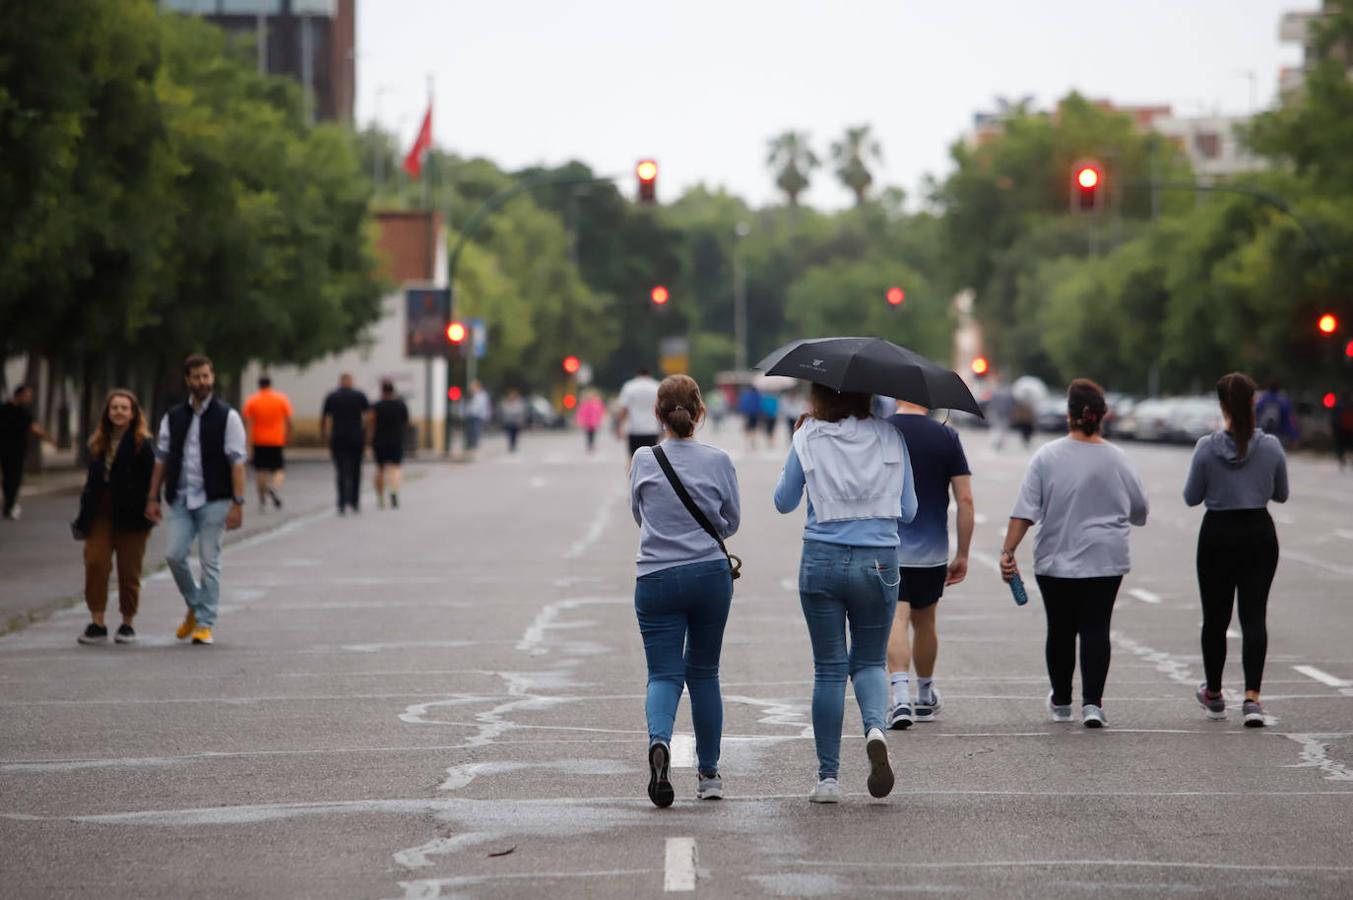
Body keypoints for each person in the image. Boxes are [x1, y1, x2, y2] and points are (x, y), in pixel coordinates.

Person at [774, 383, 917, 803]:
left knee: (830, 670)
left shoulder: (808, 436)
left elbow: (783, 501)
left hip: (822, 558)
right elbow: (909, 510)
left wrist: (800, 442)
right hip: (879, 560)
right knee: (871, 661)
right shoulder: (892, 436)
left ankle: (829, 779)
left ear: (819, 396)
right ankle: (875, 729)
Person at [1000, 379, 1149, 728]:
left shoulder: (1046, 456)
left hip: (1055, 559)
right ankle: (1093, 705)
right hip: (1106, 560)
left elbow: (1025, 511)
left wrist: (1008, 551)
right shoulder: (1119, 458)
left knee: (1061, 629)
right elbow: (1140, 510)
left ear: (1069, 416)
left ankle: (1062, 701)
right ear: (1102, 417)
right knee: (1097, 627)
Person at [629, 374, 740, 808]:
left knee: (663, 674)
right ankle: (709, 774)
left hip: (655, 576)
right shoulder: (719, 460)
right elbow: (730, 522)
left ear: (658, 414)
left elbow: (638, 514)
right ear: (701, 412)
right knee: (705, 673)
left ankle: (661, 743)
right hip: (709, 576)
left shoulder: (643, 458)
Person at [1184, 373, 1289, 727]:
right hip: (1258, 532)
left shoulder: (1206, 448)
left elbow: (1191, 497)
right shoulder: (1270, 446)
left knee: (1216, 617)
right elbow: (1281, 494)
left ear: (1222, 406)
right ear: (1252, 403)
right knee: (1253, 615)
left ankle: (1214, 694)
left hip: (1218, 532)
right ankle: (1252, 699)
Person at [145, 355, 247, 646]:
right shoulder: (174, 417)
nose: (203, 382)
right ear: (187, 380)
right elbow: (161, 458)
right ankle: (195, 603)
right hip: (180, 497)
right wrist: (152, 496)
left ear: (212, 378)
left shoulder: (228, 417)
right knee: (174, 555)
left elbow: (237, 463)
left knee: (209, 562)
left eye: (207, 376)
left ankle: (205, 623)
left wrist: (238, 503)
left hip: (215, 499)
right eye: (197, 377)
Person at [885, 401, 974, 728]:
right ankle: (925, 695)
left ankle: (900, 698)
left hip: (887, 545)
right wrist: (962, 553)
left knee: (895, 618)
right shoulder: (946, 436)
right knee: (925, 622)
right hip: (932, 549)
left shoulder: (882, 430)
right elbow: (965, 499)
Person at [73, 390, 156, 645]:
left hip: (133, 517)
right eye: (114, 408)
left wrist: (153, 503)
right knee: (96, 562)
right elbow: (91, 482)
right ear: (107, 413)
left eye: (124, 408)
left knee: (128, 571)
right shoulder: (98, 442)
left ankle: (127, 622)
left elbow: (153, 479)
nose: (119, 412)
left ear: (133, 414)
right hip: (100, 514)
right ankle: (97, 622)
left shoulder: (143, 443)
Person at [321, 373, 370, 515]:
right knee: (356, 471)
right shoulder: (359, 395)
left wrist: (325, 435)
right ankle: (354, 501)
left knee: (341, 471)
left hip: (338, 438)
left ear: (340, 382)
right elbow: (369, 416)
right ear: (351, 382)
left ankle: (341, 502)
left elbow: (325, 418)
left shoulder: (332, 396)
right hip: (356, 437)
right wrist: (366, 435)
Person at [242, 375, 293, 512]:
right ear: (271, 384)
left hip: (259, 440)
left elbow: (248, 423)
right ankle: (274, 487)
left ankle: (262, 500)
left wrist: (248, 444)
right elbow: (288, 420)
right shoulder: (280, 399)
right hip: (276, 439)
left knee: (261, 470)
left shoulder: (252, 401)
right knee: (279, 469)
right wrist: (288, 436)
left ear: (259, 385)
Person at [0, 384, 51, 520]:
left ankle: (8, 504)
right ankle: (9, 505)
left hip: (5, 450)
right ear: (20, 395)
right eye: (27, 396)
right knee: (15, 478)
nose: (29, 398)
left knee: (7, 477)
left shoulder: (4, 408)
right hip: (16, 451)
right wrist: (48, 437)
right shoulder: (24, 412)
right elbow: (35, 429)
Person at [372, 381, 410, 509]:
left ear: (382, 391)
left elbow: (371, 423)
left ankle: (381, 496)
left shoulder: (376, 406)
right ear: (393, 390)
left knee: (380, 469)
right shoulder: (401, 405)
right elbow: (406, 423)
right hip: (396, 440)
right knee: (395, 468)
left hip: (379, 441)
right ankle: (393, 491)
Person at [616, 367, 661, 460]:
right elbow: (661, 408)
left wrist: (619, 427)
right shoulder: (656, 386)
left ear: (637, 374)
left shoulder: (629, 386)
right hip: (651, 429)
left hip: (634, 429)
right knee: (652, 460)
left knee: (634, 459)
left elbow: (624, 409)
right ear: (649, 375)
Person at [1256, 382, 1299, 448]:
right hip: (1278, 436)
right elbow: (1289, 421)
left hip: (1262, 434)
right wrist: (1294, 436)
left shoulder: (1262, 400)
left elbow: (1255, 415)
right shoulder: (1283, 402)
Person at [466, 380, 491, 453]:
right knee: (469, 431)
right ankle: (471, 445)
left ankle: (474, 446)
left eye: (473, 386)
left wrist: (486, 415)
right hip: (469, 415)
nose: (472, 388)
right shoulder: (470, 395)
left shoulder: (482, 395)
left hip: (478, 416)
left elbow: (483, 406)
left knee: (475, 431)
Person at [1331, 391, 1353, 472]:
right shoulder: (1340, 406)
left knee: (1342, 446)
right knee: (1346, 446)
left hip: (1342, 430)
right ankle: (1343, 459)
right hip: (1346, 430)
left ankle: (1342, 459)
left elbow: (1334, 419)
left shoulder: (1338, 406)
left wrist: (1334, 429)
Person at [737, 385, 761, 450]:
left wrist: (742, 413)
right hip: (755, 414)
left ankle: (747, 440)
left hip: (747, 414)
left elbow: (742, 404)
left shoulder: (746, 395)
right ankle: (753, 440)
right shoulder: (758, 395)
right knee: (754, 428)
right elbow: (760, 405)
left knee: (747, 428)